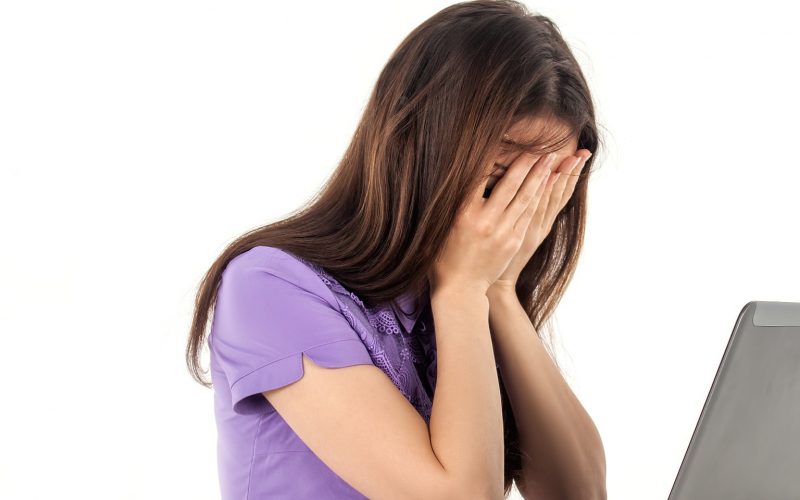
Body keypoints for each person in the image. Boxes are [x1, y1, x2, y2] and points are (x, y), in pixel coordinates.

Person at [184, 1, 605, 498]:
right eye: (501, 178)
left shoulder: (461, 299)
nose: (517, 209)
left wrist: (499, 291)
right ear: (418, 144)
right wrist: (463, 290)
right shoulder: (268, 287)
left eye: (543, 186)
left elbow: (579, 495)